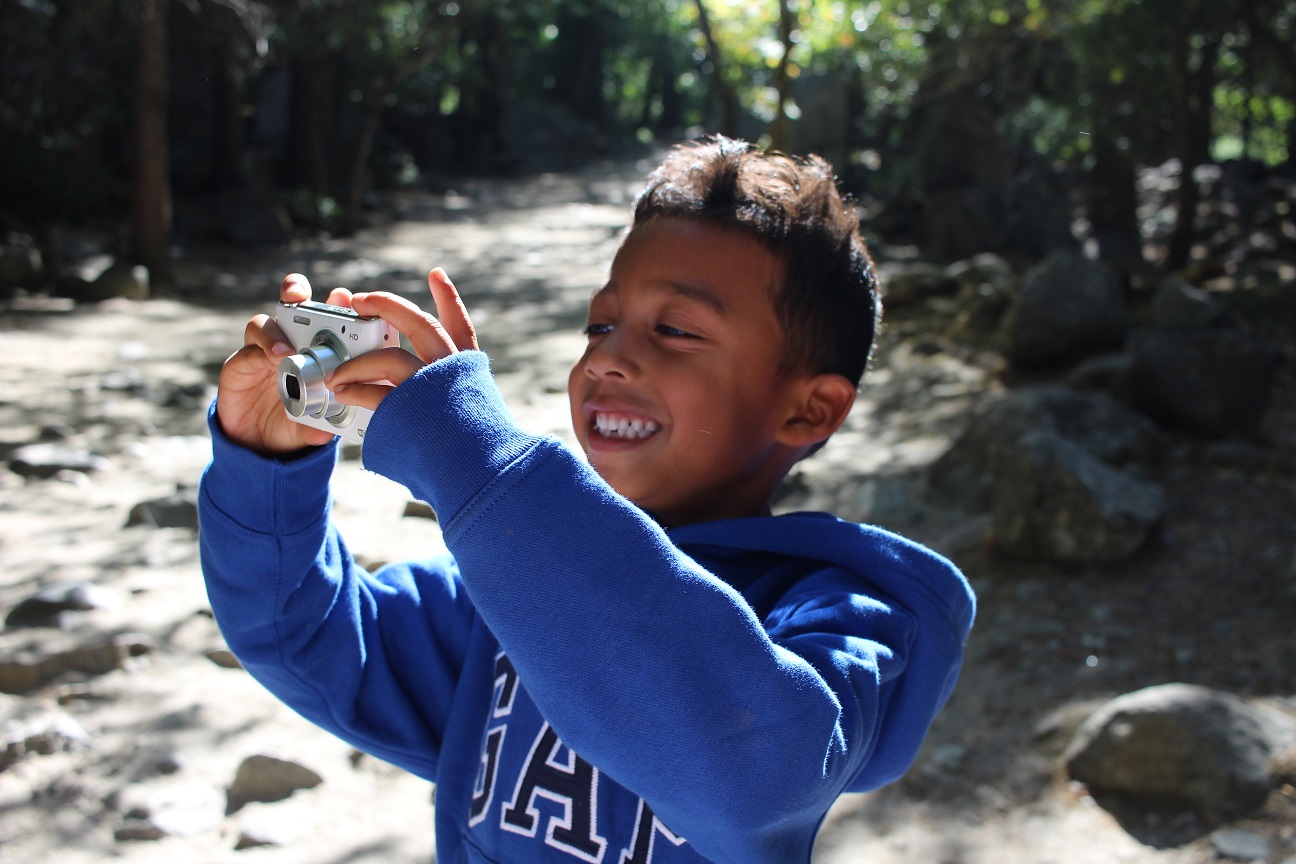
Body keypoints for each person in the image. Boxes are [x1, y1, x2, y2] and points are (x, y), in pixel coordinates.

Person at [199, 136, 975, 864]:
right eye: (600, 322)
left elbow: (751, 778)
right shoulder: (503, 590)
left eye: (674, 329)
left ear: (808, 410)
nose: (608, 357)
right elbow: (301, 637)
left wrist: (483, 470)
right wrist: (265, 467)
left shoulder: (837, 613)